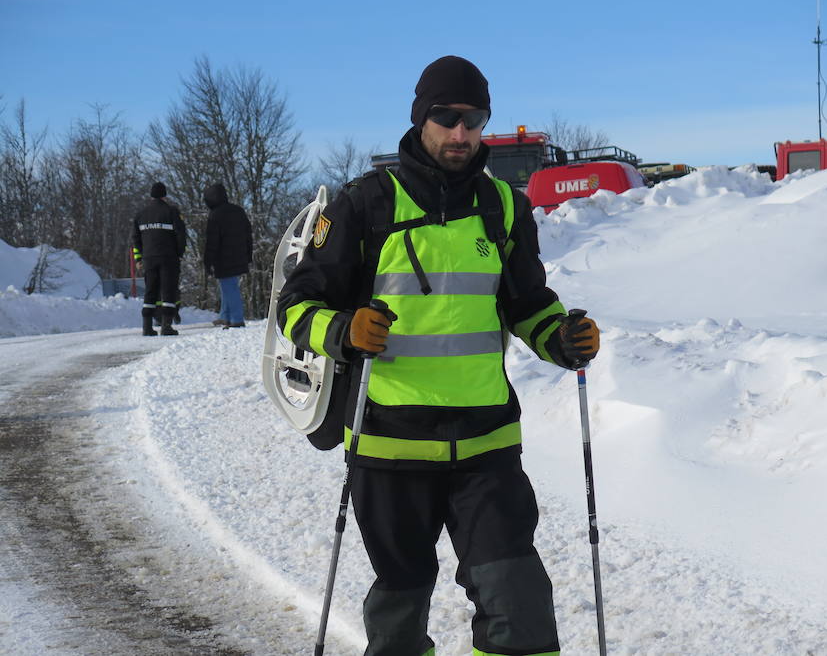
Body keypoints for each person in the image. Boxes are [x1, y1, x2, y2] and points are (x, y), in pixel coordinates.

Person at [277, 55, 600, 656]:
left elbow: (527, 302)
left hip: (487, 446)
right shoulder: (365, 204)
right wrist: (345, 328)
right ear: (421, 118)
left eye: (474, 119)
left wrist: (561, 337)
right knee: (400, 611)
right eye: (447, 118)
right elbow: (295, 307)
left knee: (519, 602)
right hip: (389, 446)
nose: (462, 133)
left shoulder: (504, 206)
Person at [132, 181, 186, 336]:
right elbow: (181, 236)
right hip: (169, 258)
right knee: (167, 291)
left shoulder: (140, 215)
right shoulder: (172, 212)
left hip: (148, 259)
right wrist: (179, 253)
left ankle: (147, 327)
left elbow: (136, 239)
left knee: (150, 292)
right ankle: (166, 326)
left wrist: (138, 259)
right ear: (165, 195)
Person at [203, 182, 253, 329]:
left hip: (223, 258)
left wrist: (207, 261)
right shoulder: (239, 211)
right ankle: (225, 316)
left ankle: (237, 319)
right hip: (240, 255)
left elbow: (211, 241)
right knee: (227, 286)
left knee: (229, 287)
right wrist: (248, 255)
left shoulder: (215, 215)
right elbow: (248, 235)